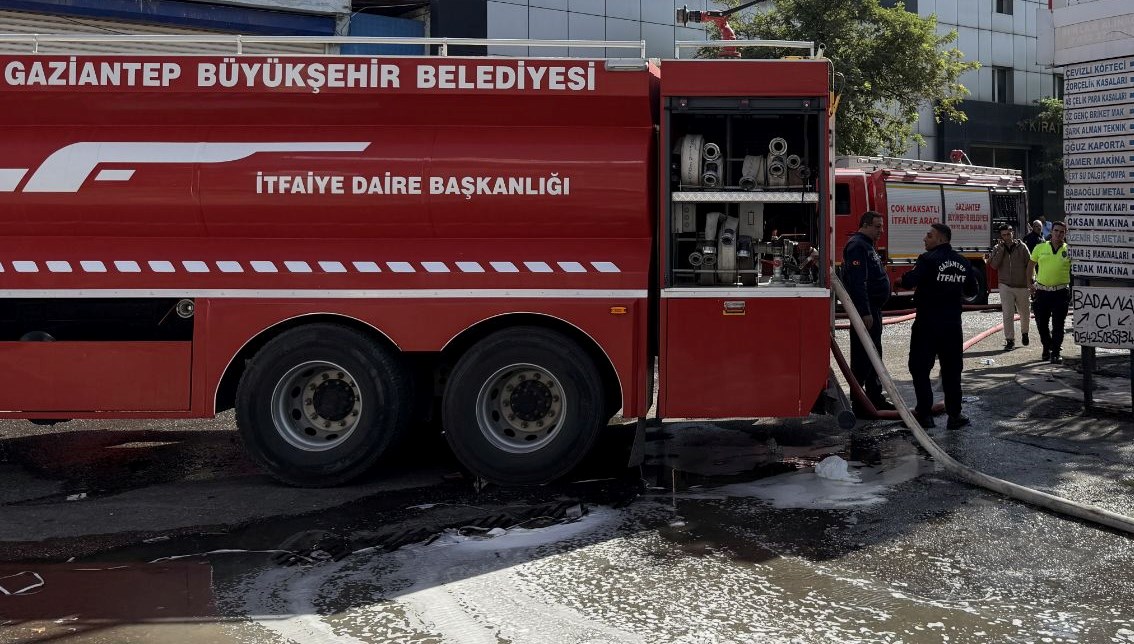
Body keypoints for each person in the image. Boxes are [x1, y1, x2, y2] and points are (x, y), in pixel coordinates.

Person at [899, 223, 978, 429]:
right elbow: (972, 291)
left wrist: (902, 279)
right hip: (952, 326)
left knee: (919, 368)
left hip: (927, 324)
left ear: (941, 239)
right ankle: (955, 415)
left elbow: (909, 281)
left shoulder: (927, 260)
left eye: (929, 235)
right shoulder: (963, 262)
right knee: (952, 370)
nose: (925, 239)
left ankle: (924, 414)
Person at [842, 210, 893, 417]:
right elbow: (857, 282)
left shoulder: (867, 245)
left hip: (873, 308)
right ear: (864, 225)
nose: (881, 230)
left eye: (881, 226)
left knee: (873, 353)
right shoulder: (857, 246)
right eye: (877, 226)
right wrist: (864, 311)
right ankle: (862, 403)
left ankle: (874, 398)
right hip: (867, 310)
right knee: (864, 356)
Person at [1028, 220, 1072, 364]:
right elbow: (1030, 266)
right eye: (1056, 231)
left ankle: (1056, 352)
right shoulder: (1040, 248)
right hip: (1042, 292)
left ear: (1065, 234)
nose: (1059, 234)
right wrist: (1031, 283)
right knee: (1041, 324)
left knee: (1058, 324)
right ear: (1051, 232)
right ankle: (1047, 347)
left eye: (1062, 232)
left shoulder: (1069, 250)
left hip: (1061, 293)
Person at [987, 224, 1031, 350]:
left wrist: (1031, 281)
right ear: (1001, 236)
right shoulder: (997, 248)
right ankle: (1010, 340)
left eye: (1008, 234)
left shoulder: (1022, 247)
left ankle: (1025, 332)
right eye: (1004, 235)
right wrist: (1001, 250)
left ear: (1013, 233)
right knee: (1007, 313)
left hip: (1021, 285)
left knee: (1024, 313)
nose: (1007, 237)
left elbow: (1030, 264)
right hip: (1005, 285)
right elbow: (994, 265)